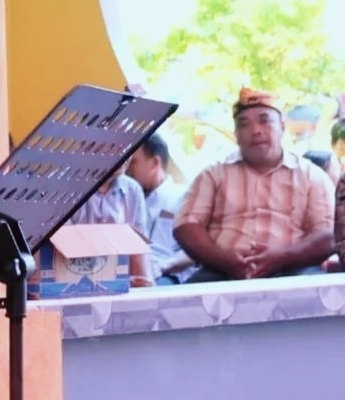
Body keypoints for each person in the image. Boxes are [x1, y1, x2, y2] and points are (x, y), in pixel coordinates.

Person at [174, 88, 334, 282]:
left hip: (294, 270)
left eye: (264, 121)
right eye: (244, 125)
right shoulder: (212, 175)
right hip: (221, 270)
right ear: (236, 134)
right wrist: (224, 259)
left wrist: (284, 257)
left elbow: (329, 233)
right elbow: (186, 225)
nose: (255, 130)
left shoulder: (312, 175)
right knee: (193, 294)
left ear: (282, 127)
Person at [126, 133, 195, 285]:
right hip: (131, 275)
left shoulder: (184, 196)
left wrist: (163, 266)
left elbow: (197, 251)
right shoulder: (126, 198)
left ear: (155, 163)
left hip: (168, 276)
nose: (127, 169)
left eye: (133, 162)